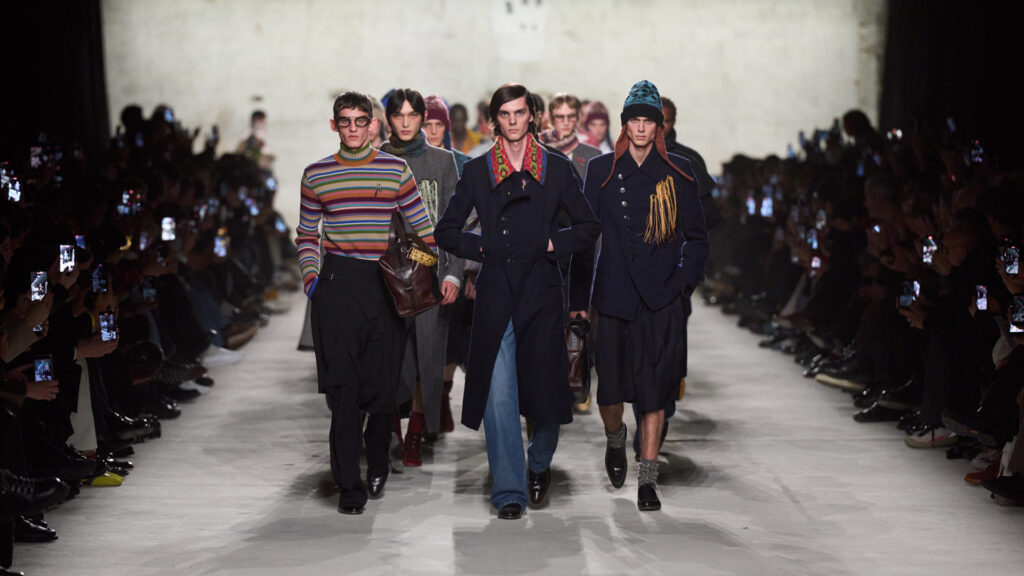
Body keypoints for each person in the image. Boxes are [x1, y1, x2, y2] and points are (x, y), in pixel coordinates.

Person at [435, 83, 599, 520]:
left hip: (541, 291)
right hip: (495, 292)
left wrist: (551, 243)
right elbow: (446, 231)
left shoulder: (556, 168)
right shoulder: (478, 171)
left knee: (545, 390)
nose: (512, 121)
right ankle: (509, 489)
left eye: (519, 113)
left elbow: (588, 227)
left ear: (532, 117)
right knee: (498, 394)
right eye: (504, 114)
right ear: (495, 121)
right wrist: (483, 248)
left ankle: (539, 462)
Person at [295, 91, 437, 515]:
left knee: (380, 389)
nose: (353, 128)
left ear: (373, 124)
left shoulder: (395, 170)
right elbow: (307, 234)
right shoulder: (316, 174)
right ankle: (348, 486)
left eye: (361, 121)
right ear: (334, 125)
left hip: (383, 287)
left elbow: (424, 232)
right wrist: (313, 282)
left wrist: (415, 271)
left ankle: (377, 462)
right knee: (343, 391)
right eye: (345, 121)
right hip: (337, 286)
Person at [570, 80, 709, 512]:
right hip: (613, 299)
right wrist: (578, 301)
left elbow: (697, 237)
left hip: (660, 299)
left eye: (650, 120)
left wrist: (682, 283)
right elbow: (585, 239)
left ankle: (647, 480)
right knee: (609, 394)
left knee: (653, 393)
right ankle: (615, 438)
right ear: (625, 125)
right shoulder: (601, 171)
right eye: (635, 120)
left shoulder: (678, 171)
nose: (642, 127)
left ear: (659, 126)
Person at [380, 89, 463, 468]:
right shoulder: (376, 159)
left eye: (412, 115)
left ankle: (413, 430)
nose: (406, 122)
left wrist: (454, 273)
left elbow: (453, 222)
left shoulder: (442, 161)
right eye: (398, 115)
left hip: (429, 272)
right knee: (391, 359)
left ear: (421, 118)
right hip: (384, 274)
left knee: (425, 356)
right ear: (389, 119)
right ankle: (392, 430)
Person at [539, 93, 601, 182]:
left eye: (571, 116)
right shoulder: (537, 150)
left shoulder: (593, 155)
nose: (566, 122)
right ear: (551, 118)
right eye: (560, 117)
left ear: (578, 117)